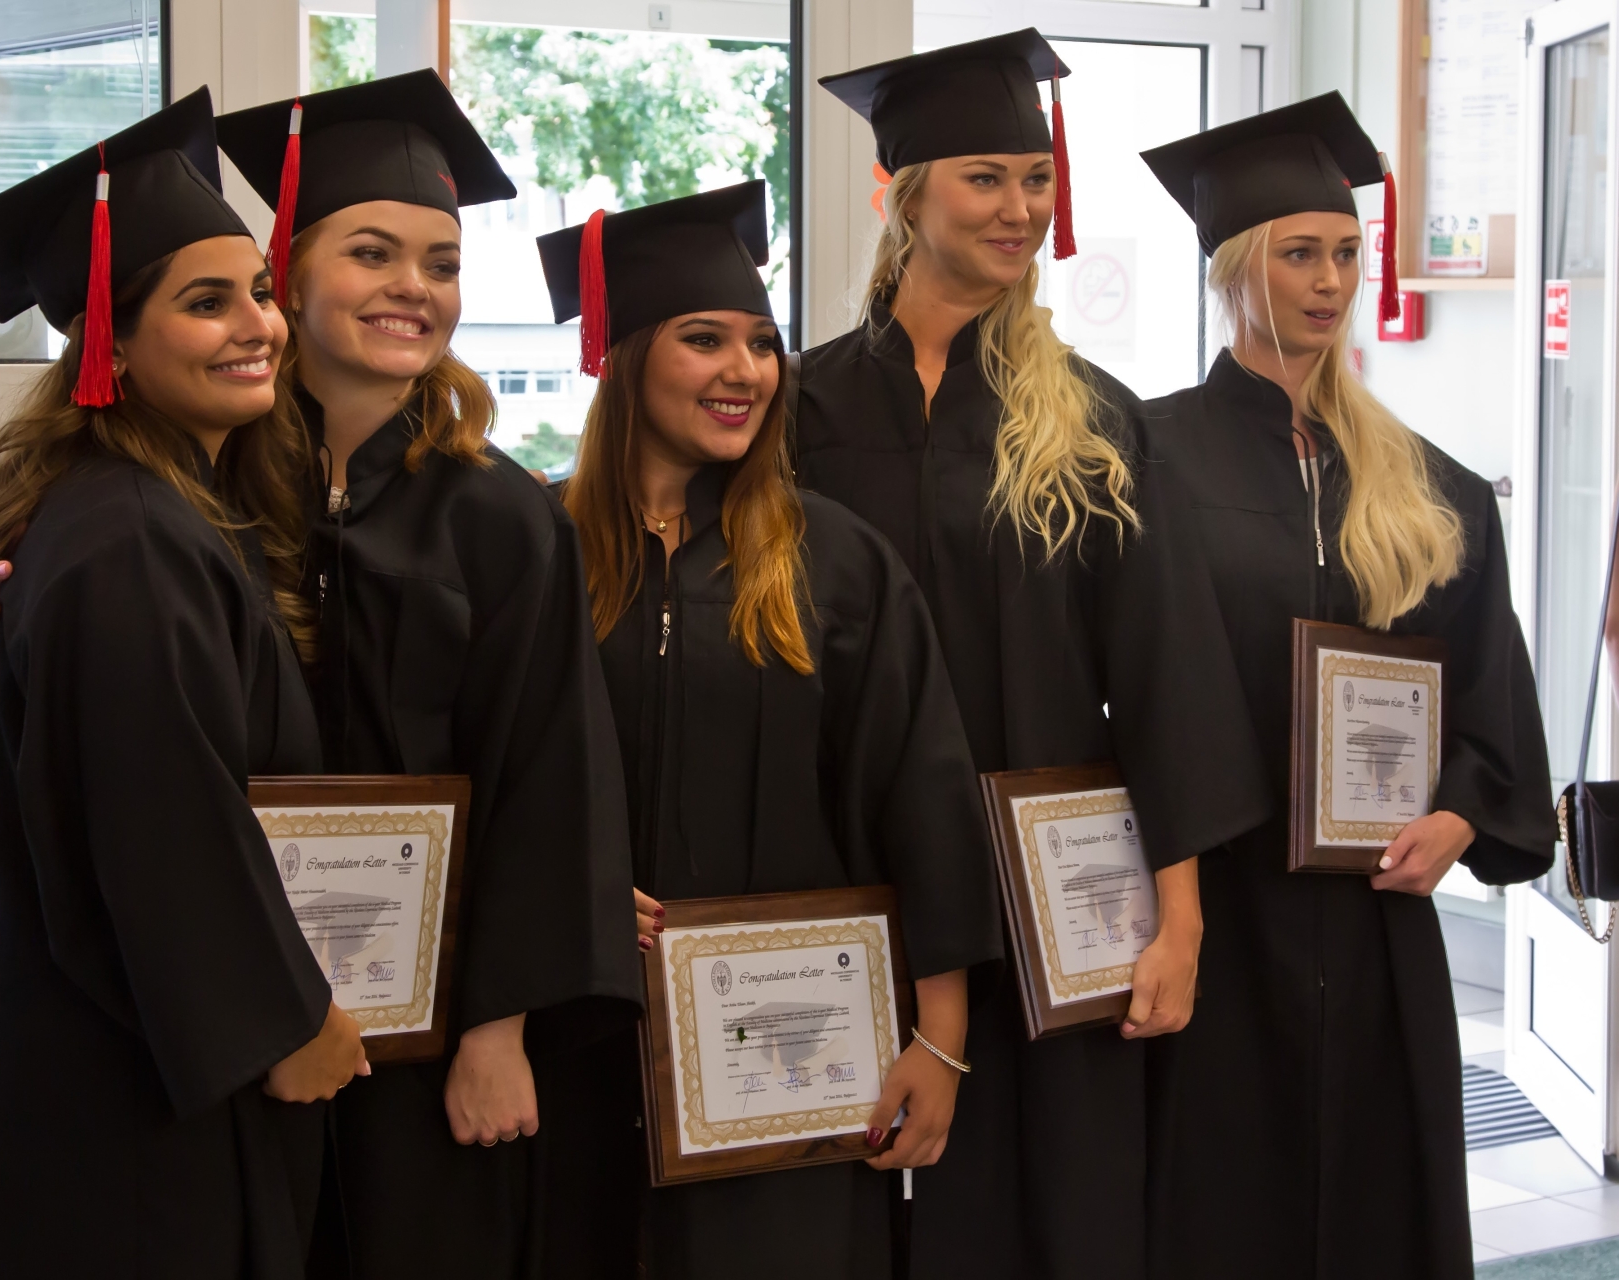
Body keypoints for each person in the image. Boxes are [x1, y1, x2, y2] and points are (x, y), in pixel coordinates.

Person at [795, 31, 1271, 1279]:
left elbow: (1167, 673)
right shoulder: (802, 408)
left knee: (1057, 1199)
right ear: (906, 194)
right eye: (986, 178)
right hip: (848, 865)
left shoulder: (1093, 416)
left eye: (1036, 178)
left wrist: (1180, 920)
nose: (1019, 208)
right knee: (849, 1193)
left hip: (1052, 895)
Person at [0, 89, 366, 1280]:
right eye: (206, 302)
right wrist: (290, 1018)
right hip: (122, 1095)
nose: (258, 324)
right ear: (112, 342)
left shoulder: (133, 506)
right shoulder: (136, 537)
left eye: (259, 290)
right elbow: (163, 823)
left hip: (72, 1065)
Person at [213, 73, 644, 1279]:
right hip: (234, 1012)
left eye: (441, 263)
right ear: (286, 271)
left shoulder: (501, 517)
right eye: (372, 252)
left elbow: (546, 782)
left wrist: (498, 1029)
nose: (415, 286)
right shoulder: (202, 495)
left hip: (433, 1031)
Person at [536, 179, 998, 1280]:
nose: (744, 370)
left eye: (761, 343)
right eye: (704, 339)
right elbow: (492, 779)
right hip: (577, 1034)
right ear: (626, 358)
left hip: (792, 1050)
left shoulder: (835, 562)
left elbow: (922, 794)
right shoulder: (538, 549)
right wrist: (568, 887)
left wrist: (940, 1039)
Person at [1136, 93, 1556, 1279]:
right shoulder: (1144, 457)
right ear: (1234, 267)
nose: (1329, 281)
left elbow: (1489, 686)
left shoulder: (1428, 483)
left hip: (1377, 920)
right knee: (1220, 1207)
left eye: (1346, 253)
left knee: (1377, 1208)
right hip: (1215, 908)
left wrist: (1462, 811)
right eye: (1298, 254)